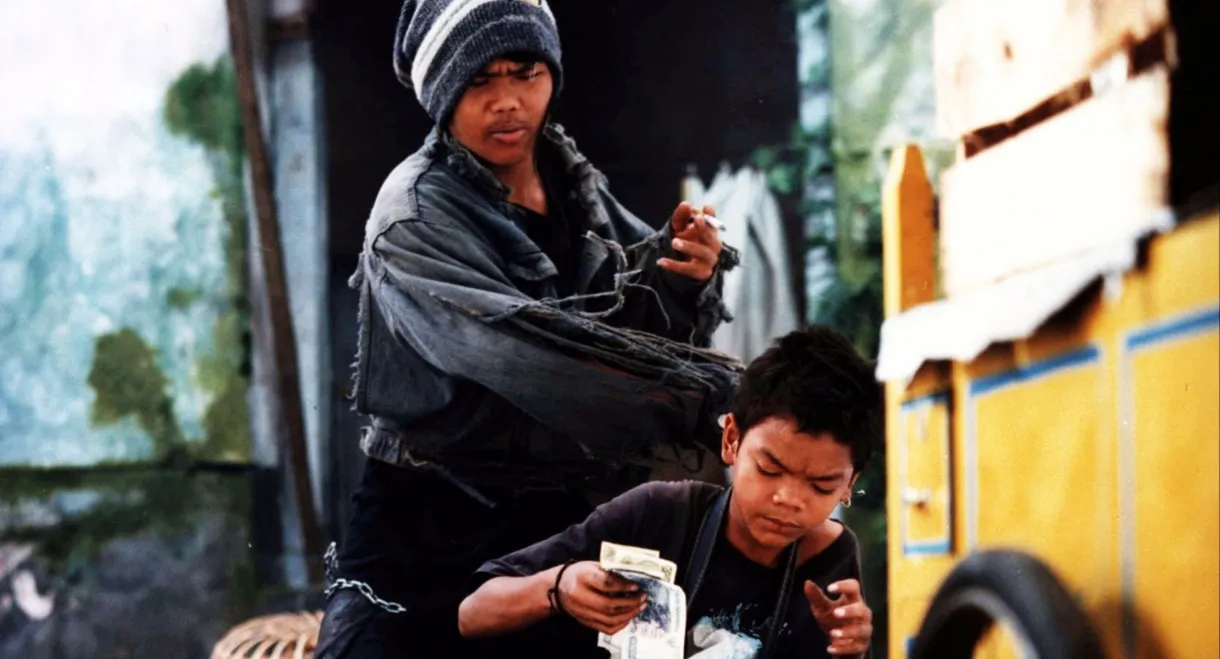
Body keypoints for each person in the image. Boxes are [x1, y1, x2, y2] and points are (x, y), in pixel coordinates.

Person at [316, 1, 742, 657]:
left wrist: (685, 270)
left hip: (558, 519)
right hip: (430, 523)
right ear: (442, 91)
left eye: (526, 72)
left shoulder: (575, 186)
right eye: (480, 81)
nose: (509, 102)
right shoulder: (412, 215)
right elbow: (531, 356)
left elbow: (637, 314)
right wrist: (715, 398)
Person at [458, 326, 880, 659]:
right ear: (731, 439)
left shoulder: (832, 558)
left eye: (821, 484)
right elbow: (471, 613)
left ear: (849, 482)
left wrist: (851, 650)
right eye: (770, 469)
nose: (789, 499)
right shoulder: (659, 512)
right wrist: (559, 587)